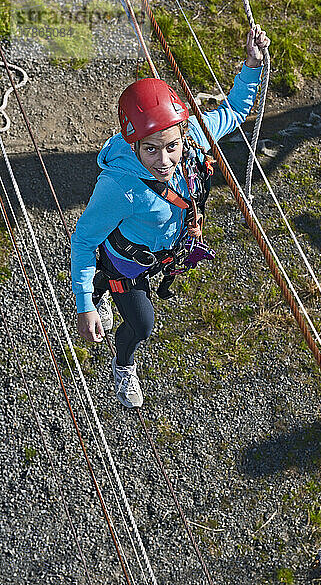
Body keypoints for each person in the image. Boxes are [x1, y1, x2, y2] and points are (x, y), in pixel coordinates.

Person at [71, 25, 269, 408]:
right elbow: (83, 240)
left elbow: (234, 110)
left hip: (162, 253)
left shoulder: (191, 137)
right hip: (128, 263)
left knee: (128, 309)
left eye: (171, 147)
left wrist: (251, 66)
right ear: (133, 144)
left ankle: (100, 294)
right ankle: (123, 360)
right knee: (142, 325)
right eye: (150, 150)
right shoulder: (119, 187)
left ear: (182, 133)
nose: (164, 161)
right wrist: (83, 306)